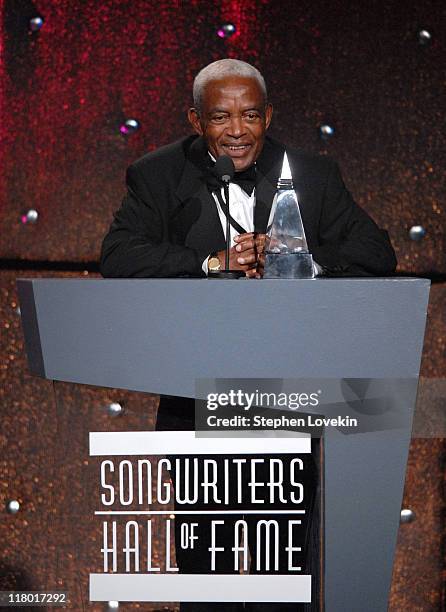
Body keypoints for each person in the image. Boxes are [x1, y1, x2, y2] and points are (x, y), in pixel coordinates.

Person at [100, 59, 397, 612]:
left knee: (283, 572)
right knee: (205, 574)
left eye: (251, 115)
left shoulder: (312, 174)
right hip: (196, 401)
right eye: (221, 117)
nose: (238, 129)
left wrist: (298, 259)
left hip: (288, 398)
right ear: (196, 120)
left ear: (268, 116)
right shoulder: (158, 176)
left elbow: (377, 253)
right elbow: (119, 256)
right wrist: (210, 261)